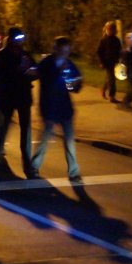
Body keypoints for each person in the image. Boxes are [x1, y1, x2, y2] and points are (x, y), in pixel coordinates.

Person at [30, 37, 83, 183]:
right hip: (50, 107)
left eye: (67, 51)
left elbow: (74, 87)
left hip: (65, 108)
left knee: (69, 142)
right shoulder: (47, 63)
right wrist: (58, 71)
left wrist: (75, 83)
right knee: (44, 140)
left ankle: (74, 172)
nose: (64, 54)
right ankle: (34, 166)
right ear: (56, 49)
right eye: (62, 51)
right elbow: (45, 80)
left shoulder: (70, 64)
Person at [0, 27, 38, 176]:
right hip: (8, 96)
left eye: (21, 39)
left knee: (26, 130)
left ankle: (27, 162)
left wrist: (32, 72)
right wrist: (18, 70)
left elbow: (35, 70)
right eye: (17, 38)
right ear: (10, 39)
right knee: (3, 125)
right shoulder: (1, 55)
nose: (19, 42)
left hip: (23, 96)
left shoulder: (25, 55)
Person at [96, 21, 123, 102]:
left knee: (110, 77)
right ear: (107, 29)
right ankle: (112, 96)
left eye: (113, 29)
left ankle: (103, 89)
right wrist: (101, 62)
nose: (111, 31)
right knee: (112, 78)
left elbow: (119, 50)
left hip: (115, 61)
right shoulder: (103, 40)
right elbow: (99, 52)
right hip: (107, 62)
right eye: (110, 29)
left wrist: (120, 59)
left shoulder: (116, 40)